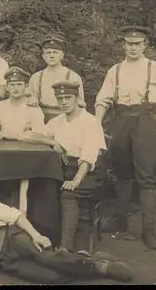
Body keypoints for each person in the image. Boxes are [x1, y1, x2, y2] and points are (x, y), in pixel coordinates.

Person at [0, 171, 133, 284]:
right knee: (50, 277)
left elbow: (16, 216)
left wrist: (36, 235)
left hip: (11, 238)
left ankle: (101, 268)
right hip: (1, 260)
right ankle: (86, 257)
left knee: (47, 257)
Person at [95, 26, 156, 250]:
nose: (133, 47)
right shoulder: (115, 70)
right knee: (122, 173)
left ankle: (149, 231)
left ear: (145, 45)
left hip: (146, 121)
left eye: (137, 44)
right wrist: (96, 122)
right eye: (129, 43)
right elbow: (103, 98)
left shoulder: (155, 68)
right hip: (121, 121)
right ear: (123, 45)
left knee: (146, 177)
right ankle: (120, 222)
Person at [31, 80, 107, 252]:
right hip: (64, 169)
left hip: (87, 173)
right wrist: (52, 142)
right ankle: (48, 239)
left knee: (68, 193)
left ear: (77, 98)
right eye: (60, 99)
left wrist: (75, 181)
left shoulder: (90, 121)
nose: (64, 102)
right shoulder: (58, 121)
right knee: (45, 186)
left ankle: (65, 248)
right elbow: (31, 135)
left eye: (67, 97)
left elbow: (88, 157)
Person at [27, 33, 85, 123]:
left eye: (55, 52)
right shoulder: (36, 77)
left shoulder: (73, 77)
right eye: (48, 52)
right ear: (43, 56)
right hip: (42, 119)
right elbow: (30, 104)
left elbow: (80, 104)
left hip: (66, 119)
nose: (52, 56)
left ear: (61, 55)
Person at [0, 67, 45, 141]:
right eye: (12, 85)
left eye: (19, 84)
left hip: (25, 147)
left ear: (26, 86)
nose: (15, 88)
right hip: (1, 146)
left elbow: (39, 135)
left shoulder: (34, 109)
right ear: (7, 87)